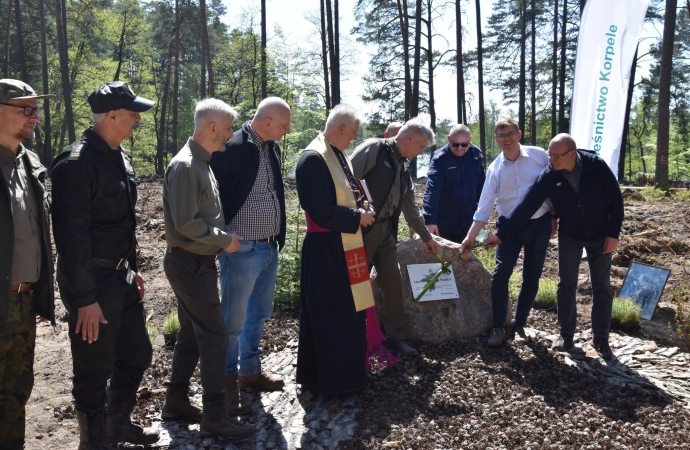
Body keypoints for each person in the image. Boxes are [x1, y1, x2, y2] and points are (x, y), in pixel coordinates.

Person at [51, 81, 159, 449]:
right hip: (91, 282)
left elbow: (122, 223)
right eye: (132, 115)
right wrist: (85, 299)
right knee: (93, 371)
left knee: (136, 353)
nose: (137, 122)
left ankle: (117, 427)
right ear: (111, 116)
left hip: (121, 276)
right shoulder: (75, 164)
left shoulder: (120, 156)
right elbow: (71, 238)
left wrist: (131, 266)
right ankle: (94, 443)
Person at [161, 98, 255, 441]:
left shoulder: (204, 164)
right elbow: (187, 222)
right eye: (228, 128)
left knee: (190, 334)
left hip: (196, 262)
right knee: (215, 336)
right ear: (212, 127)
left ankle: (175, 401)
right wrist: (224, 240)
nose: (231, 135)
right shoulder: (187, 166)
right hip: (189, 262)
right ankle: (215, 416)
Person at [483, 133, 623, 359]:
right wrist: (502, 234)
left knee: (602, 287)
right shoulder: (549, 174)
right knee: (566, 284)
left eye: (557, 156)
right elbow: (529, 205)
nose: (552, 161)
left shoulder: (596, 166)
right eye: (550, 155)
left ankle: (601, 338)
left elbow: (616, 200)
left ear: (572, 154)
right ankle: (566, 334)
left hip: (600, 234)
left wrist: (613, 234)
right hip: (571, 234)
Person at [209, 97, 289, 406]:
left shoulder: (272, 147)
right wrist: (221, 234)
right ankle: (226, 382)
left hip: (269, 246)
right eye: (283, 125)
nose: (286, 130)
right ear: (267, 121)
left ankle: (250, 372)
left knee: (259, 313)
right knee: (233, 319)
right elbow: (211, 191)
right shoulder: (233, 146)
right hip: (241, 250)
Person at [295, 104, 377, 393]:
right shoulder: (313, 159)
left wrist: (361, 206)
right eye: (353, 133)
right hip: (324, 250)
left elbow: (346, 195)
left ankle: (348, 374)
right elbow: (319, 211)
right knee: (329, 314)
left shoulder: (337, 154)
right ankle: (330, 381)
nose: (354, 139)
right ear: (341, 128)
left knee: (347, 310)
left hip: (343, 245)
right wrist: (358, 217)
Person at [460, 117, 554, 347]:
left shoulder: (539, 156)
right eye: (502, 135)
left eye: (510, 133)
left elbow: (553, 187)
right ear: (496, 138)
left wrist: (554, 218)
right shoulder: (495, 168)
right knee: (501, 275)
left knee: (532, 276)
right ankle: (498, 326)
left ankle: (520, 325)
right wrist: (471, 237)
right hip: (509, 227)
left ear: (519, 134)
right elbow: (484, 206)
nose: (507, 139)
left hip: (539, 224)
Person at [351, 118, 439, 356]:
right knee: (356, 286)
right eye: (421, 147)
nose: (421, 152)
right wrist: (351, 218)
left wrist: (426, 237)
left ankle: (395, 336)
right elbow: (346, 181)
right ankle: (352, 339)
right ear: (409, 137)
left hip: (387, 232)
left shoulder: (404, 166)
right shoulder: (374, 148)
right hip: (362, 231)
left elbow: (410, 206)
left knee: (393, 282)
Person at [0, 79, 55, 450]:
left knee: (17, 390)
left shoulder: (29, 162)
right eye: (25, 109)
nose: (35, 116)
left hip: (22, 301)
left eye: (36, 108)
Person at [422, 124, 486, 243]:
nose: (460, 148)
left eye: (464, 144)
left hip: (468, 222)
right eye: (455, 144)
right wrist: (430, 220)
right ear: (448, 139)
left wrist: (482, 217)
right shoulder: (439, 158)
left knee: (465, 259)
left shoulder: (476, 155)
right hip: (445, 223)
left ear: (470, 140)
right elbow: (432, 190)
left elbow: (482, 189)